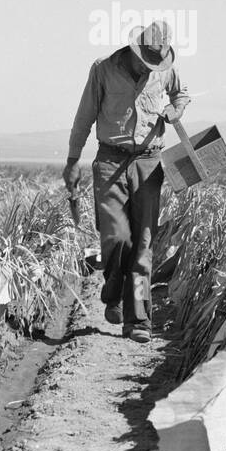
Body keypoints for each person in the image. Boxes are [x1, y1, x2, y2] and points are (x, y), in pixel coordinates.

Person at [64, 19, 190, 343]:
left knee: (144, 245)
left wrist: (176, 110)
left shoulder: (164, 71)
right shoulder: (103, 69)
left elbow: (181, 94)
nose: (150, 67)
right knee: (117, 237)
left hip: (149, 163)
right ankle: (114, 289)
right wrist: (72, 159)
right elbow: (84, 116)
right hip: (110, 160)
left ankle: (138, 321)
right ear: (134, 50)